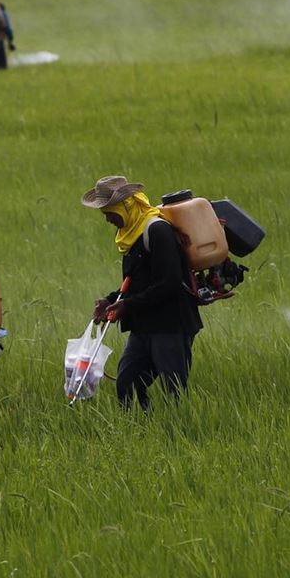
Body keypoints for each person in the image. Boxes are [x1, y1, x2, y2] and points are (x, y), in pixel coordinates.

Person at [82, 175, 202, 409]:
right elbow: (136, 282)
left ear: (124, 206)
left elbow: (170, 282)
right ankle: (140, 429)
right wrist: (110, 300)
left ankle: (179, 432)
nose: (106, 219)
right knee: (127, 383)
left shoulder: (156, 230)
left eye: (108, 212)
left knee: (174, 390)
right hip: (143, 325)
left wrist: (127, 306)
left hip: (171, 325)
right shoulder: (131, 235)